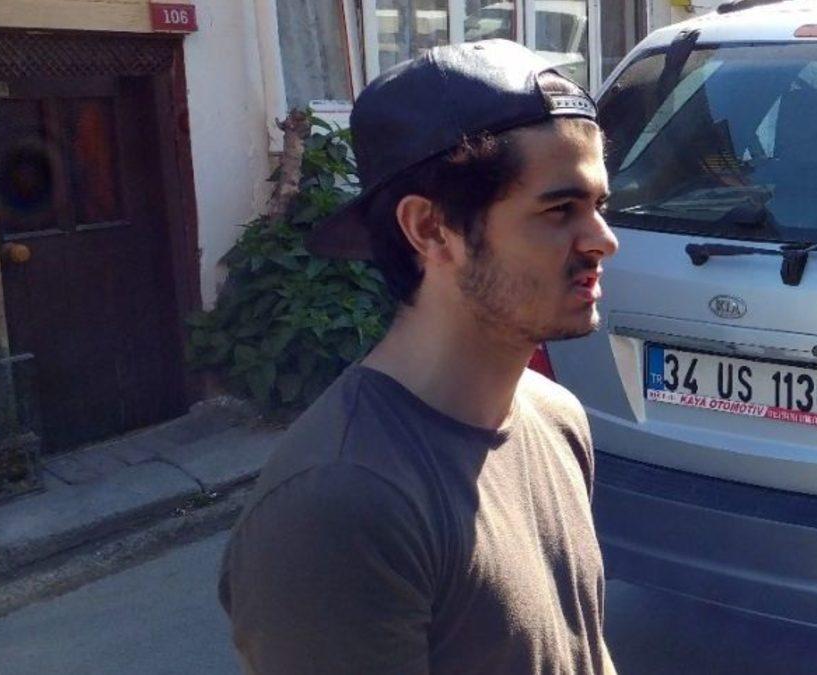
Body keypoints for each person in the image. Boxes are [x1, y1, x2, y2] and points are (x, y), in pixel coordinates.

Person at [217, 39, 619, 674]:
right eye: (559, 210)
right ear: (430, 229)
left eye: (598, 206)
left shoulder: (555, 417)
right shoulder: (339, 505)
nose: (603, 240)